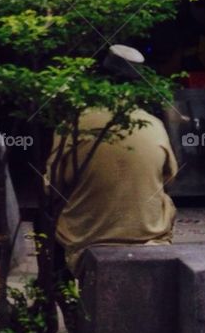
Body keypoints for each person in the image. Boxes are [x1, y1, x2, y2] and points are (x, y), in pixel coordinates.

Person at [47, 104, 178, 274]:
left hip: (84, 236)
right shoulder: (153, 123)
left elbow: (52, 185)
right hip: (149, 233)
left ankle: (59, 290)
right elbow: (170, 176)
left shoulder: (72, 125)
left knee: (46, 215)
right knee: (164, 200)